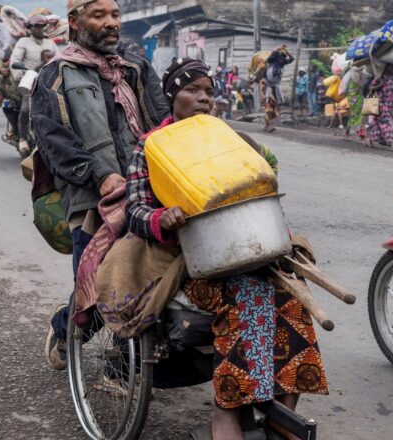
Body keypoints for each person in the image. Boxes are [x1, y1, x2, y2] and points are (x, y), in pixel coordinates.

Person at [127, 56, 328, 440]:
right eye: (192, 90)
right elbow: (134, 210)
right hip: (190, 264)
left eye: (209, 91)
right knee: (248, 299)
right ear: (173, 97)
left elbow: (264, 196)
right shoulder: (151, 147)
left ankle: (281, 419)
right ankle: (228, 415)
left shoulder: (231, 141)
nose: (203, 99)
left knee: (293, 303)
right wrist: (161, 218)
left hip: (250, 254)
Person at [34, 0, 170, 371]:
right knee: (94, 294)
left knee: (157, 280)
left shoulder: (134, 67)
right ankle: (64, 329)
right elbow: (52, 138)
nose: (111, 23)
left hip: (146, 189)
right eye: (99, 16)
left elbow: (162, 120)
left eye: (115, 16)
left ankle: (125, 368)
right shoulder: (56, 73)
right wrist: (100, 174)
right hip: (91, 197)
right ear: (75, 22)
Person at [10, 14, 59, 156]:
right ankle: (23, 138)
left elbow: (61, 58)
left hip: (49, 80)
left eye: (42, 26)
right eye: (36, 26)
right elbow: (15, 60)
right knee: (26, 109)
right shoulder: (23, 42)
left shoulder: (50, 43)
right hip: (30, 79)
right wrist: (20, 77)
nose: (39, 29)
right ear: (30, 28)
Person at [367, 64, 393, 149]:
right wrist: (380, 84)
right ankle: (389, 143)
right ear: (386, 67)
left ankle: (372, 141)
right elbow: (370, 88)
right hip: (380, 104)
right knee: (385, 123)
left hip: (387, 105)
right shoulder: (380, 77)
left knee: (375, 123)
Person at [262, 45, 295, 132]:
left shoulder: (282, 64)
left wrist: (286, 51)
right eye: (281, 57)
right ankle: (269, 124)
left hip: (275, 87)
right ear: (277, 57)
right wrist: (280, 48)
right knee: (269, 105)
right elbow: (273, 51)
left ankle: (268, 124)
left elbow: (292, 59)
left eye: (283, 58)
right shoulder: (272, 60)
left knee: (274, 106)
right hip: (267, 86)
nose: (282, 59)